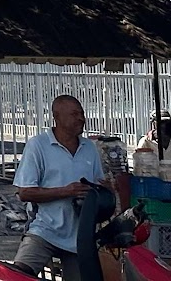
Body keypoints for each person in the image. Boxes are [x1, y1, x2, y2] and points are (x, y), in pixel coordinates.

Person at [12, 94, 107, 281]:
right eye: (74, 114)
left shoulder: (89, 147)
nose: (81, 118)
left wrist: (105, 190)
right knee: (18, 274)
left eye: (81, 113)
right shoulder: (38, 145)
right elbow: (24, 193)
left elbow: (98, 185)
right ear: (57, 116)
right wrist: (66, 191)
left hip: (80, 235)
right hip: (45, 229)